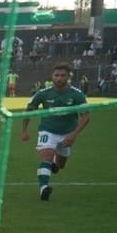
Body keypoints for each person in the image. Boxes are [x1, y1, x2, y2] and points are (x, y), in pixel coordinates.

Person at [23, 62, 90, 202]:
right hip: (48, 130)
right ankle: (43, 188)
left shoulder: (77, 95)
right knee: (45, 156)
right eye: (57, 75)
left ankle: (54, 162)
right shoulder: (43, 94)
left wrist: (73, 135)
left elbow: (86, 117)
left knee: (60, 165)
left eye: (63, 75)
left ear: (68, 77)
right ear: (52, 76)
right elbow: (28, 110)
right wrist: (25, 130)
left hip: (67, 133)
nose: (59, 78)